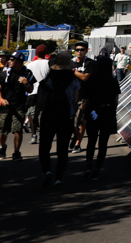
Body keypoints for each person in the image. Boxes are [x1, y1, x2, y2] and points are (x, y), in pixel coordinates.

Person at [35, 50, 79, 188]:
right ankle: (59, 178)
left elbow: (39, 102)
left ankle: (47, 171)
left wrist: (36, 116)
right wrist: (73, 115)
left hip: (48, 116)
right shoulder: (74, 80)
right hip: (65, 117)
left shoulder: (46, 81)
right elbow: (75, 101)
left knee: (44, 147)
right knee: (62, 149)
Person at [80, 53, 121, 179]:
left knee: (91, 140)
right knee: (103, 143)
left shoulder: (91, 80)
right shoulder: (112, 81)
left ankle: (88, 165)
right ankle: (97, 168)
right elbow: (115, 101)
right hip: (107, 113)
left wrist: (82, 113)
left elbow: (85, 101)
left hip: (92, 112)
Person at [0, 52, 30, 161]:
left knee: (18, 130)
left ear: (19, 62)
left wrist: (26, 83)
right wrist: (1, 99)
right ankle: (2, 146)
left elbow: (31, 89)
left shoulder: (26, 73)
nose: (9, 61)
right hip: (5, 107)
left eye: (12, 60)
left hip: (19, 105)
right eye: (9, 59)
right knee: (3, 131)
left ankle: (16, 152)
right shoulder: (4, 74)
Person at [25, 43, 50, 144]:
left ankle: (33, 135)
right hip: (46, 92)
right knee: (46, 115)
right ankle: (44, 135)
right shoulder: (49, 64)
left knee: (33, 115)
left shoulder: (30, 65)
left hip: (32, 92)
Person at [69, 42, 91, 151]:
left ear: (86, 50)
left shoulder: (89, 63)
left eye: (82, 49)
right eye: (77, 49)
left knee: (81, 121)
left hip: (84, 96)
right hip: (70, 96)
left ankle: (78, 143)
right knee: (70, 120)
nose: (79, 52)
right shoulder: (71, 62)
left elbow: (84, 77)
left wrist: (73, 71)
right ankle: (76, 136)